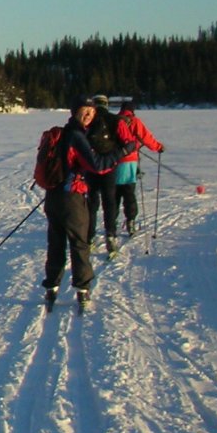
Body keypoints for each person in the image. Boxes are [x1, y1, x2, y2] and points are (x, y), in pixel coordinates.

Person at [41, 95, 128, 311]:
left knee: (56, 242)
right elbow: (97, 165)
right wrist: (123, 151)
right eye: (84, 110)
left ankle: (51, 285)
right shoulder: (76, 136)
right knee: (79, 243)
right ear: (75, 112)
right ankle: (82, 287)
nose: (89, 114)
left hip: (53, 197)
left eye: (91, 111)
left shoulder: (61, 133)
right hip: (71, 199)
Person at [83, 94, 128, 256]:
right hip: (110, 168)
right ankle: (110, 235)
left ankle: (89, 237)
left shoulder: (88, 120)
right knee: (109, 202)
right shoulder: (116, 120)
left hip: (91, 168)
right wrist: (115, 156)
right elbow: (129, 143)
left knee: (92, 202)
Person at [113, 100, 164, 236]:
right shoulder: (134, 121)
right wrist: (158, 147)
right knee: (129, 193)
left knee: (114, 195)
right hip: (129, 162)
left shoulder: (114, 120)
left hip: (113, 162)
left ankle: (111, 224)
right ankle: (130, 222)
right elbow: (146, 138)